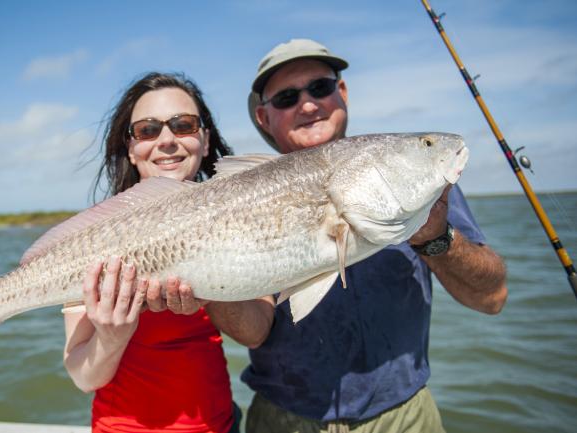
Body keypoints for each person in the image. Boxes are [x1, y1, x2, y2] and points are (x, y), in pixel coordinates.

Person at [215, 39, 508, 432]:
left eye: (320, 88)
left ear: (343, 92)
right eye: (286, 97)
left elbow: (492, 299)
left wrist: (437, 238)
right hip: (284, 418)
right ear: (263, 118)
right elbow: (252, 331)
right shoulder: (244, 198)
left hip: (405, 417)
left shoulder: (421, 188)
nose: (307, 105)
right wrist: (204, 283)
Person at [63, 72, 241, 433]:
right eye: (147, 130)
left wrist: (214, 294)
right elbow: (83, 376)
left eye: (183, 125)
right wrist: (112, 337)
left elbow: (258, 331)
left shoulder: (241, 213)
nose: (166, 140)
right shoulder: (93, 239)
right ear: (131, 148)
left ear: (205, 141)